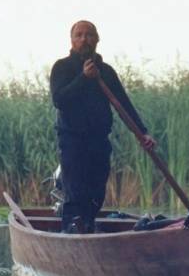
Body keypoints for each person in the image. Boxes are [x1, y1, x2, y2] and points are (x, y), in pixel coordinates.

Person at [49, 20, 155, 233]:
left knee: (96, 192)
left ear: (97, 40)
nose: (84, 39)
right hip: (72, 140)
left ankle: (87, 228)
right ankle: (71, 230)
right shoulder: (62, 67)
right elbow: (60, 100)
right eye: (79, 35)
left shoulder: (106, 71)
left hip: (98, 140)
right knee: (75, 191)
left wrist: (142, 133)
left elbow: (124, 105)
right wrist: (83, 78)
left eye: (89, 35)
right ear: (72, 41)